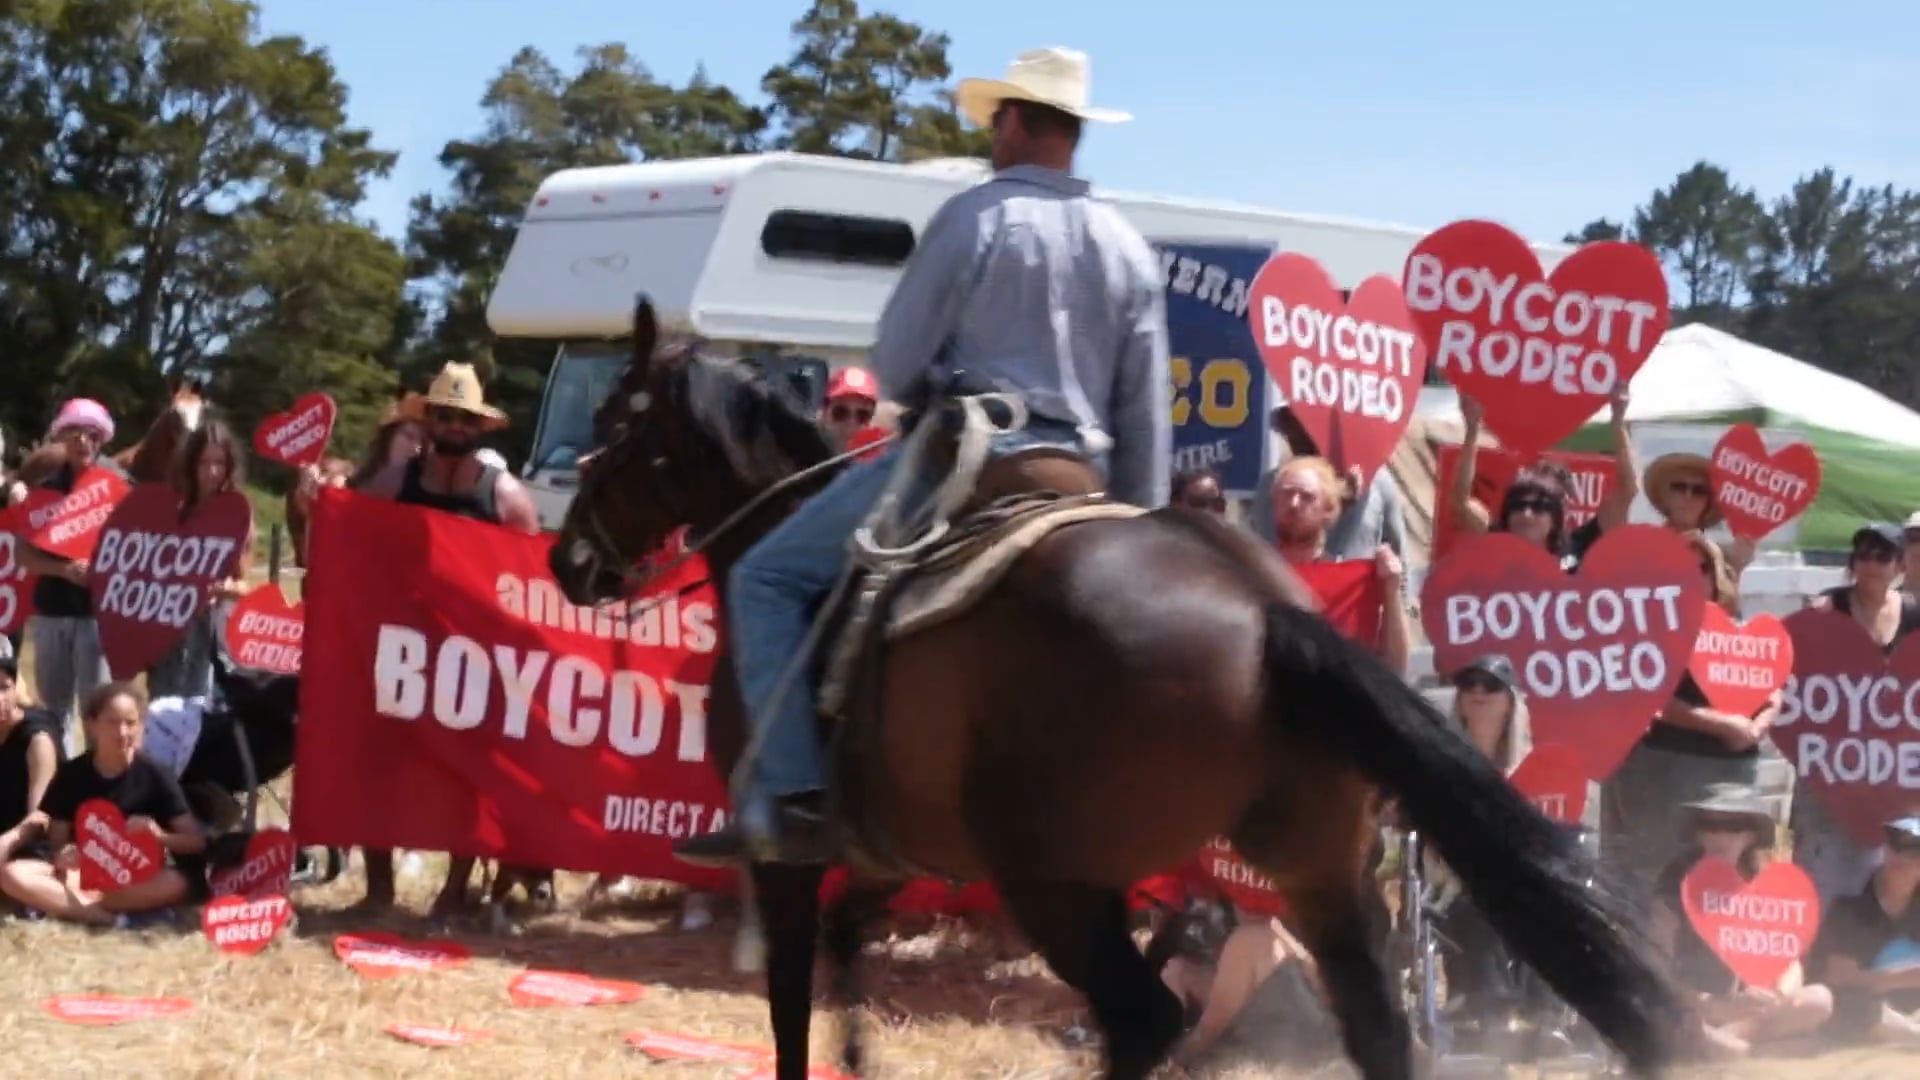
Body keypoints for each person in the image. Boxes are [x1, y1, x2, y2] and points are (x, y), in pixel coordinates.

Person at [672, 46, 1169, 867]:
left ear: (1014, 121)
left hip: (968, 462)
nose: (991, 135)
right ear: (1075, 132)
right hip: (1081, 475)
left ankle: (797, 798)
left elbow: (897, 362)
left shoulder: (974, 219)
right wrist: (1143, 529)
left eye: (994, 121)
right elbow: (1145, 413)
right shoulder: (1127, 247)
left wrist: (941, 379)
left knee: (766, 578)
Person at [295, 361, 540, 916]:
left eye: (465, 419)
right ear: (429, 421)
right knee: (376, 766)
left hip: (470, 659)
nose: (455, 426)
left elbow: (529, 587)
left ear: (480, 429)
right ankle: (378, 890)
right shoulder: (395, 482)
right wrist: (316, 501)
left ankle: (454, 892)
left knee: (466, 779)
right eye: (445, 416)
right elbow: (343, 529)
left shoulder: (504, 496)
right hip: (397, 655)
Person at [1606, 532, 1780, 904]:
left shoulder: (1739, 629)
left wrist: (1756, 726)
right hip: (1665, 770)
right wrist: (1721, 724)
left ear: (1714, 575)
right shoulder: (1647, 629)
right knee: (1656, 875)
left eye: (1699, 568)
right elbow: (1648, 697)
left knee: (1729, 879)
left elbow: (1773, 688)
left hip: (1733, 777)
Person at [1648, 785, 1834, 1059]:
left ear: (1751, 835)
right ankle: (1752, 1051)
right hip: (1694, 1005)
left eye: (1734, 827)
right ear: (1698, 833)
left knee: (1819, 1000)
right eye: (1710, 826)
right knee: (1676, 1024)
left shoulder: (1764, 883)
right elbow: (1656, 967)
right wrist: (1711, 1005)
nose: (1720, 836)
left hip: (1748, 1010)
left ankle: (1732, 1046)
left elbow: (1789, 960)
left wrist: (1778, 996)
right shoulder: (1674, 883)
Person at [0, 681, 205, 926]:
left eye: (131, 723)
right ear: (92, 725)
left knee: (178, 883)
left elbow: (195, 842)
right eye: (112, 722)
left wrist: (160, 836)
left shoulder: (155, 775)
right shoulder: (72, 774)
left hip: (136, 878)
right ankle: (111, 920)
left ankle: (71, 906)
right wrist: (64, 855)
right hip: (83, 876)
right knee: (12, 875)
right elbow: (57, 841)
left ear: (141, 726)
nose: (122, 732)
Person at [12, 399, 124, 741]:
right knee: (53, 711)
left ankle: (97, 785)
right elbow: (23, 555)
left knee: (99, 710)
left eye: (90, 434)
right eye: (74, 433)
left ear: (101, 438)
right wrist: (63, 570)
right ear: (63, 436)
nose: (82, 441)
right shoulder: (46, 489)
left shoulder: (117, 485)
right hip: (51, 615)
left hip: (98, 616)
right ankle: (60, 784)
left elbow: (136, 550)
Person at [1449, 389, 1635, 572]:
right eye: (1518, 506)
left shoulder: (1579, 545)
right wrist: (1472, 429)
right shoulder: (1497, 540)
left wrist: (1618, 420)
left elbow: (1627, 491)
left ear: (1556, 516)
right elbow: (1461, 501)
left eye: (1539, 507)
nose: (1526, 514)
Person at [1269, 456, 1409, 674]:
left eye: (1307, 497)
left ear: (1328, 510)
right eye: (1287, 493)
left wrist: (1391, 591)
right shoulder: (1252, 573)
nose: (1294, 504)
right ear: (1274, 501)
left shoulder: (1356, 585)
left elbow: (1395, 667)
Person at [147, 419, 254, 701]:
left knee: (200, 712)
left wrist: (215, 587)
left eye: (219, 463)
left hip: (208, 632)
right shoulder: (169, 507)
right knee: (163, 710)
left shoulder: (238, 512)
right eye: (204, 463)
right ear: (190, 464)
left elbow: (243, 588)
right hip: (165, 627)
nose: (212, 472)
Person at [1811, 813, 1920, 1046]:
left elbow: (1863, 979)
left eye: (1913, 851)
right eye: (1894, 844)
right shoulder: (1849, 906)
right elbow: (1840, 977)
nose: (1899, 855)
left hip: (1906, 1008)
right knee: (1845, 1000)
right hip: (1863, 1010)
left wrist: (1879, 980)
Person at [1250, 404, 1406, 560]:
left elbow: (1398, 560)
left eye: (1311, 422)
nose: (1299, 435)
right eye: (1291, 423)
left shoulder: (1375, 482)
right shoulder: (1271, 484)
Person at [0, 655, 63, 860]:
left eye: (4, 688)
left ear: (15, 687)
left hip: (27, 843)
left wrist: (5, 843)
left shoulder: (37, 740)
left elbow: (39, 818)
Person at [820, 368, 880, 453]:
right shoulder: (801, 457)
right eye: (841, 412)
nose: (851, 423)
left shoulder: (883, 461)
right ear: (824, 412)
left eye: (862, 416)